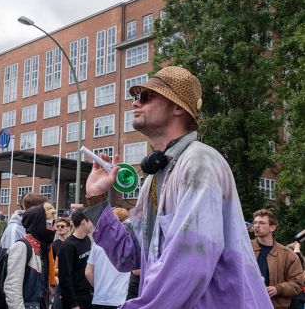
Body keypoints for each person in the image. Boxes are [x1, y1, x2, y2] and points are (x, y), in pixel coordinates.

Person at [83, 66, 271, 308]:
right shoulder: (154, 176)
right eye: (135, 97)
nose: (135, 103)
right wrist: (96, 199)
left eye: (146, 96)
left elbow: (190, 266)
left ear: (178, 107)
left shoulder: (199, 163)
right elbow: (129, 254)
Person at [4, 204, 57, 309]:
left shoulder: (41, 248)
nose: (55, 228)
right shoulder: (22, 247)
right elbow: (12, 288)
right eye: (52, 223)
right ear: (39, 224)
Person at [251, 209, 304, 309]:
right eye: (255, 222)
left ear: (272, 228)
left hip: (274, 305)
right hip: (247, 303)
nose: (257, 225)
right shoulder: (245, 249)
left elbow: (297, 284)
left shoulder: (288, 255)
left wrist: (277, 289)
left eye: (262, 223)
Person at [85, 208, 130, 309]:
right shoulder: (128, 244)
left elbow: (88, 272)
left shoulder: (97, 243)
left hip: (99, 298)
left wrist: (98, 287)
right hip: (119, 299)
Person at [57, 208, 93, 309]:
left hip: (87, 296)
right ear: (83, 222)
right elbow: (65, 279)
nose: (92, 222)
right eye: (90, 220)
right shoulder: (67, 247)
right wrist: (73, 304)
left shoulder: (87, 240)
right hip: (75, 301)